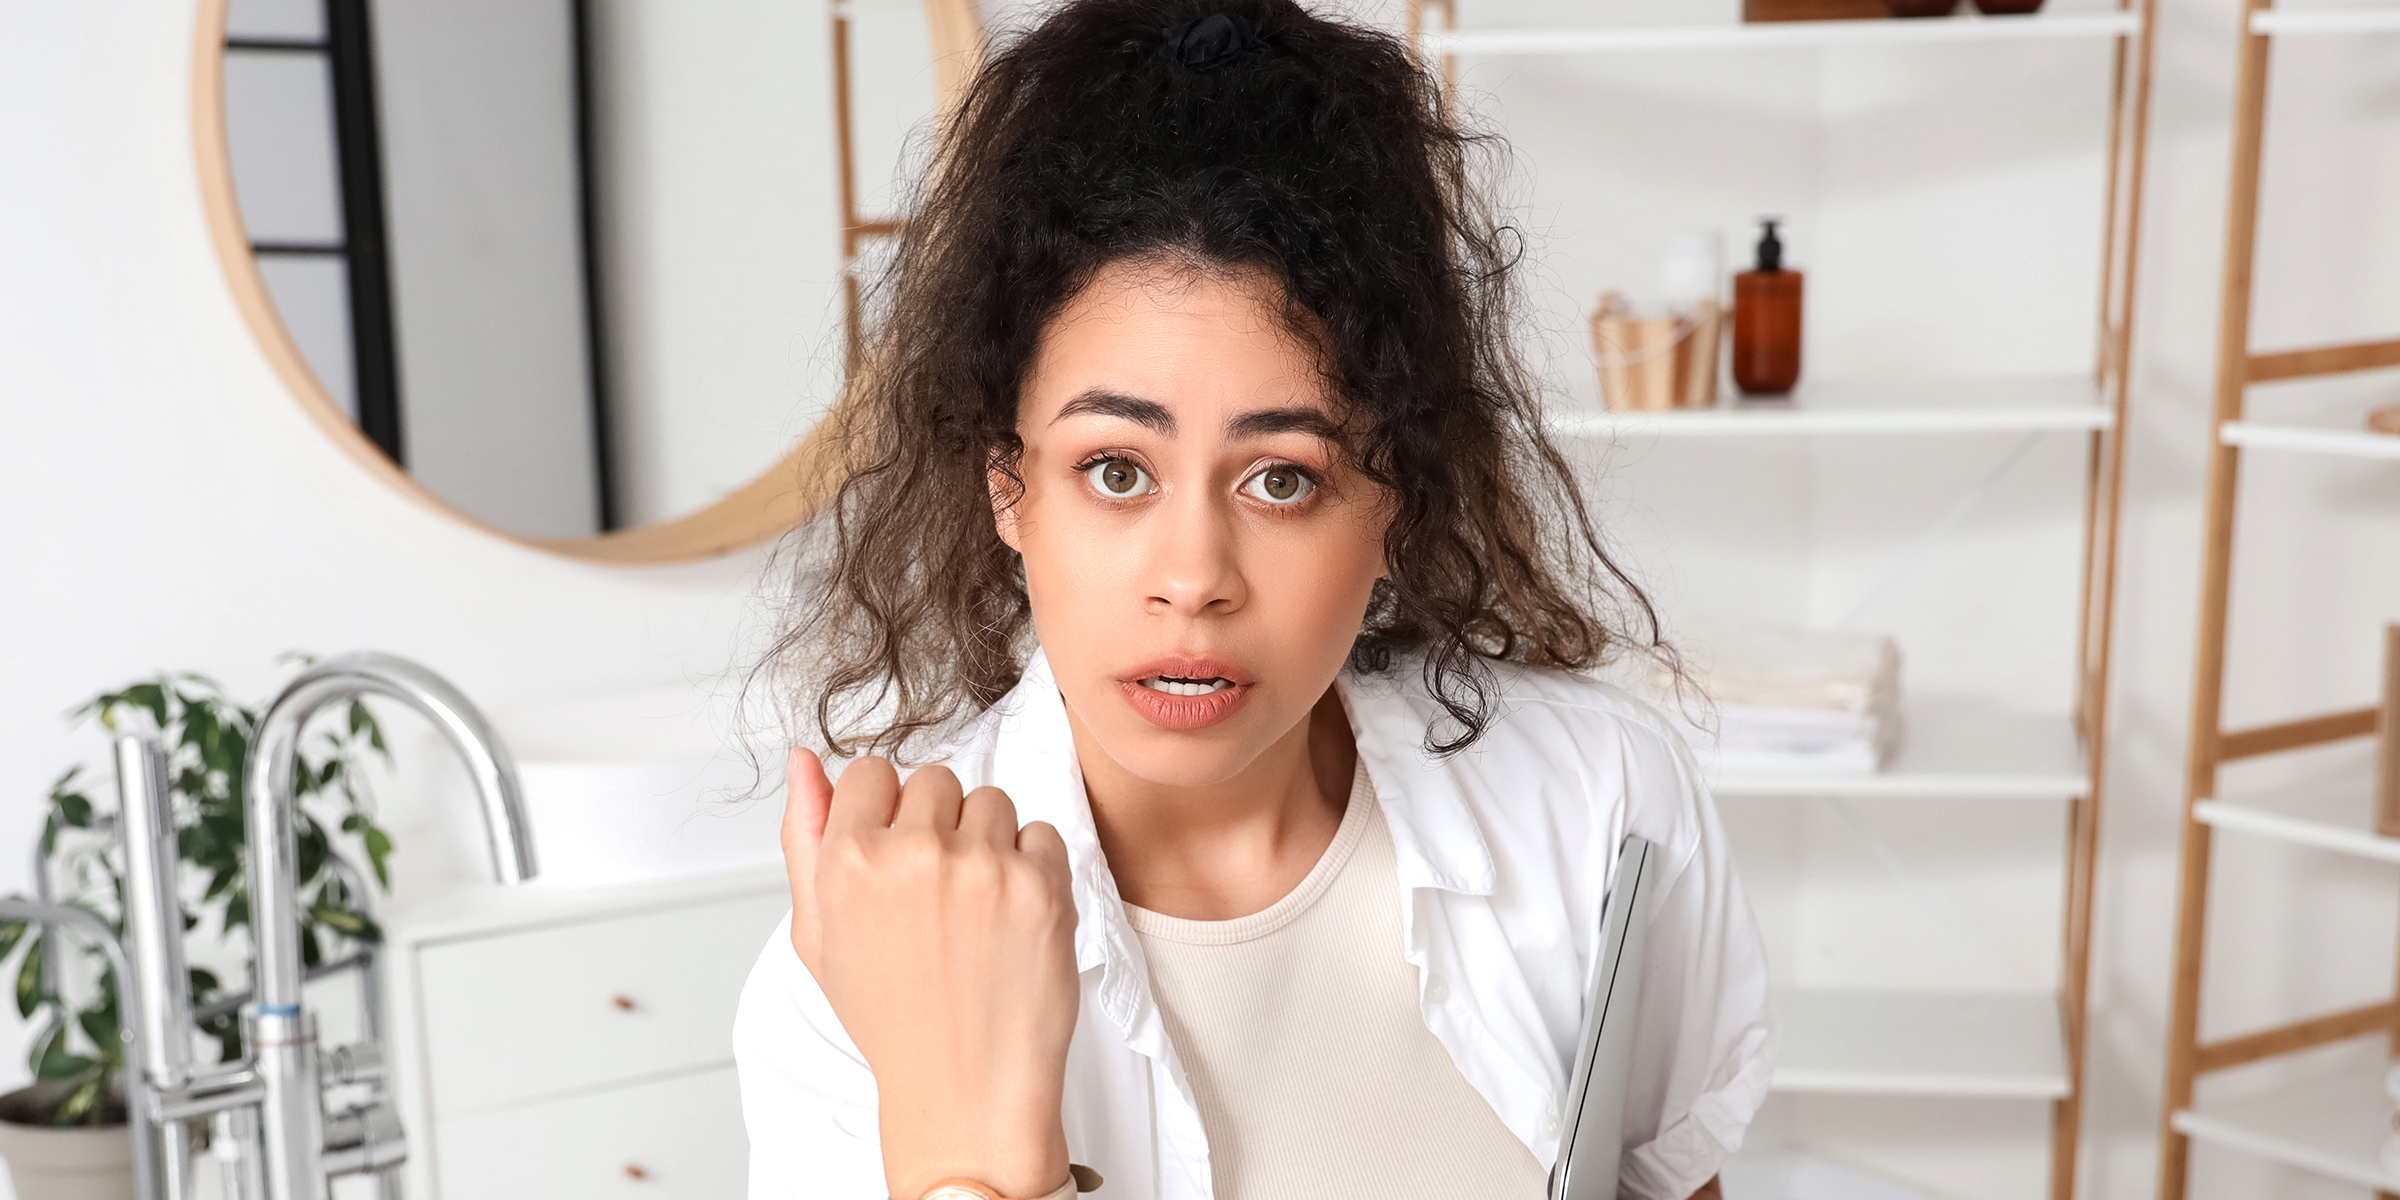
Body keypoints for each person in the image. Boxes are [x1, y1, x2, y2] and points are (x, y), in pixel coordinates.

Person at [733, 1, 1773, 1197]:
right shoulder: (868, 953)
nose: (1195, 579)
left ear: (1394, 499)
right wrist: (970, 1146)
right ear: (1008, 489)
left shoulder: (1597, 802)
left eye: (1284, 479)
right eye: (1115, 471)